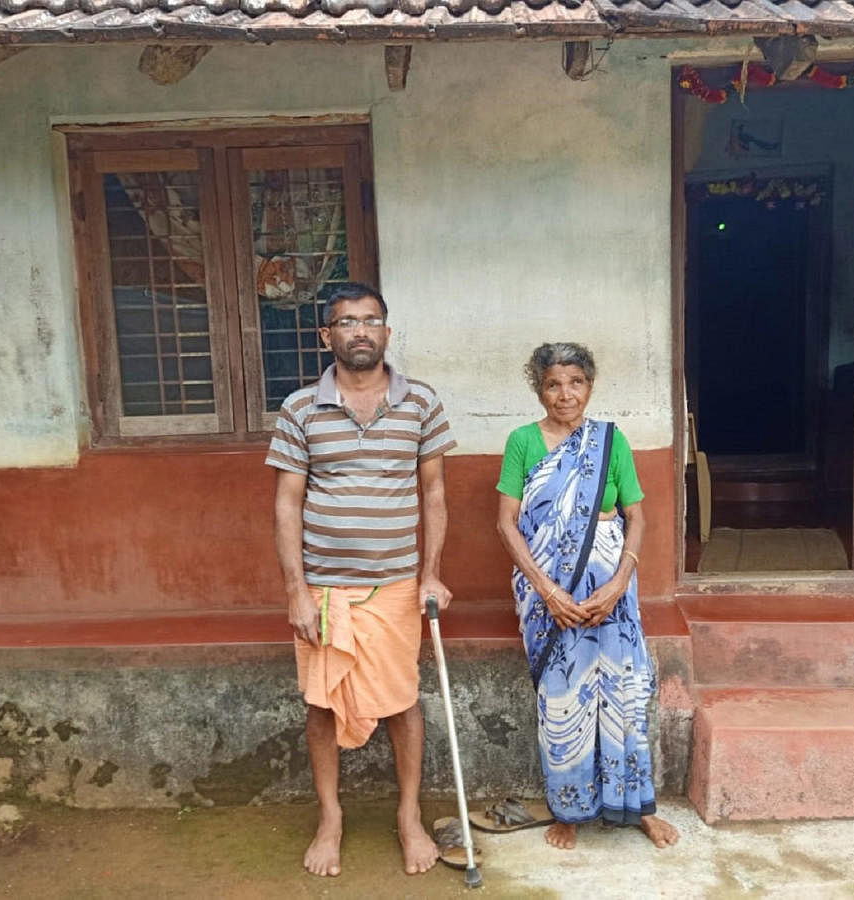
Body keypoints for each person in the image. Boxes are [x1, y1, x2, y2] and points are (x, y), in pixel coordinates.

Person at [267, 282, 457, 877]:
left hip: (397, 585)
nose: (360, 331)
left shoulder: (421, 403)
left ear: (387, 333)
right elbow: (286, 504)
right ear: (327, 335)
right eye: (347, 322)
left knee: (403, 703)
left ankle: (408, 817)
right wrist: (296, 590)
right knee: (322, 705)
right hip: (325, 588)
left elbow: (434, 492)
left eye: (371, 321)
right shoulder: (300, 408)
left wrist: (431, 574)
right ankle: (331, 818)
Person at [494, 342, 680, 851]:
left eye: (575, 383)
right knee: (562, 701)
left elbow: (636, 516)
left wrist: (619, 582)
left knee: (624, 695)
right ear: (539, 389)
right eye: (553, 384)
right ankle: (569, 810)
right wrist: (548, 591)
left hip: (612, 591)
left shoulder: (609, 442)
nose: (565, 394)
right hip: (548, 596)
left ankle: (637, 807)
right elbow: (506, 524)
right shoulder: (523, 443)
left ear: (590, 386)